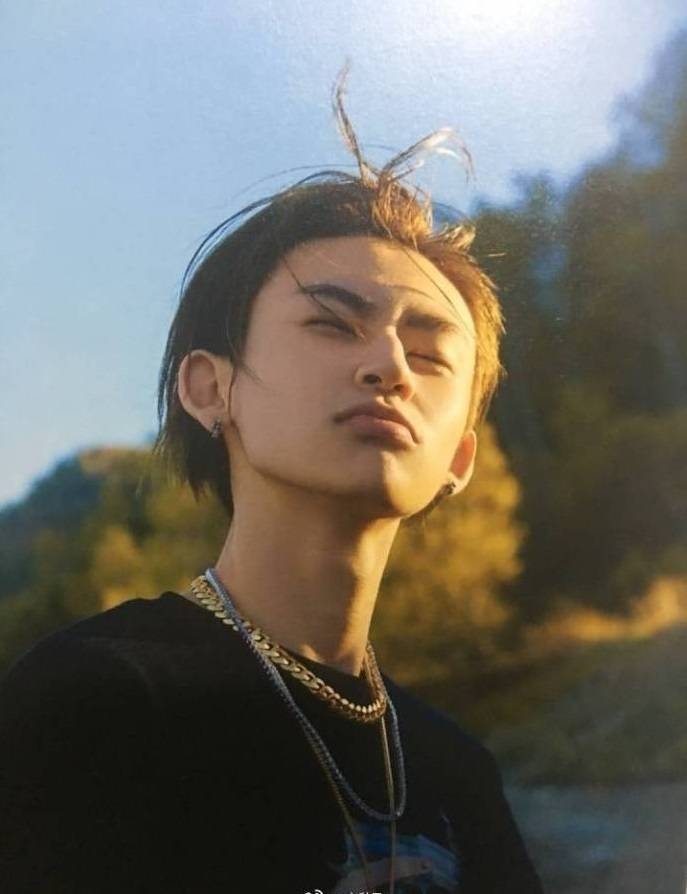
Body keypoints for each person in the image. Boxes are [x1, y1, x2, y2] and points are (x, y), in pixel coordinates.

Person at [0, 77, 543, 894]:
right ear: (208, 389)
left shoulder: (455, 770)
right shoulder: (96, 699)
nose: (389, 366)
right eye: (331, 323)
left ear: (458, 460)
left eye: (430, 354)